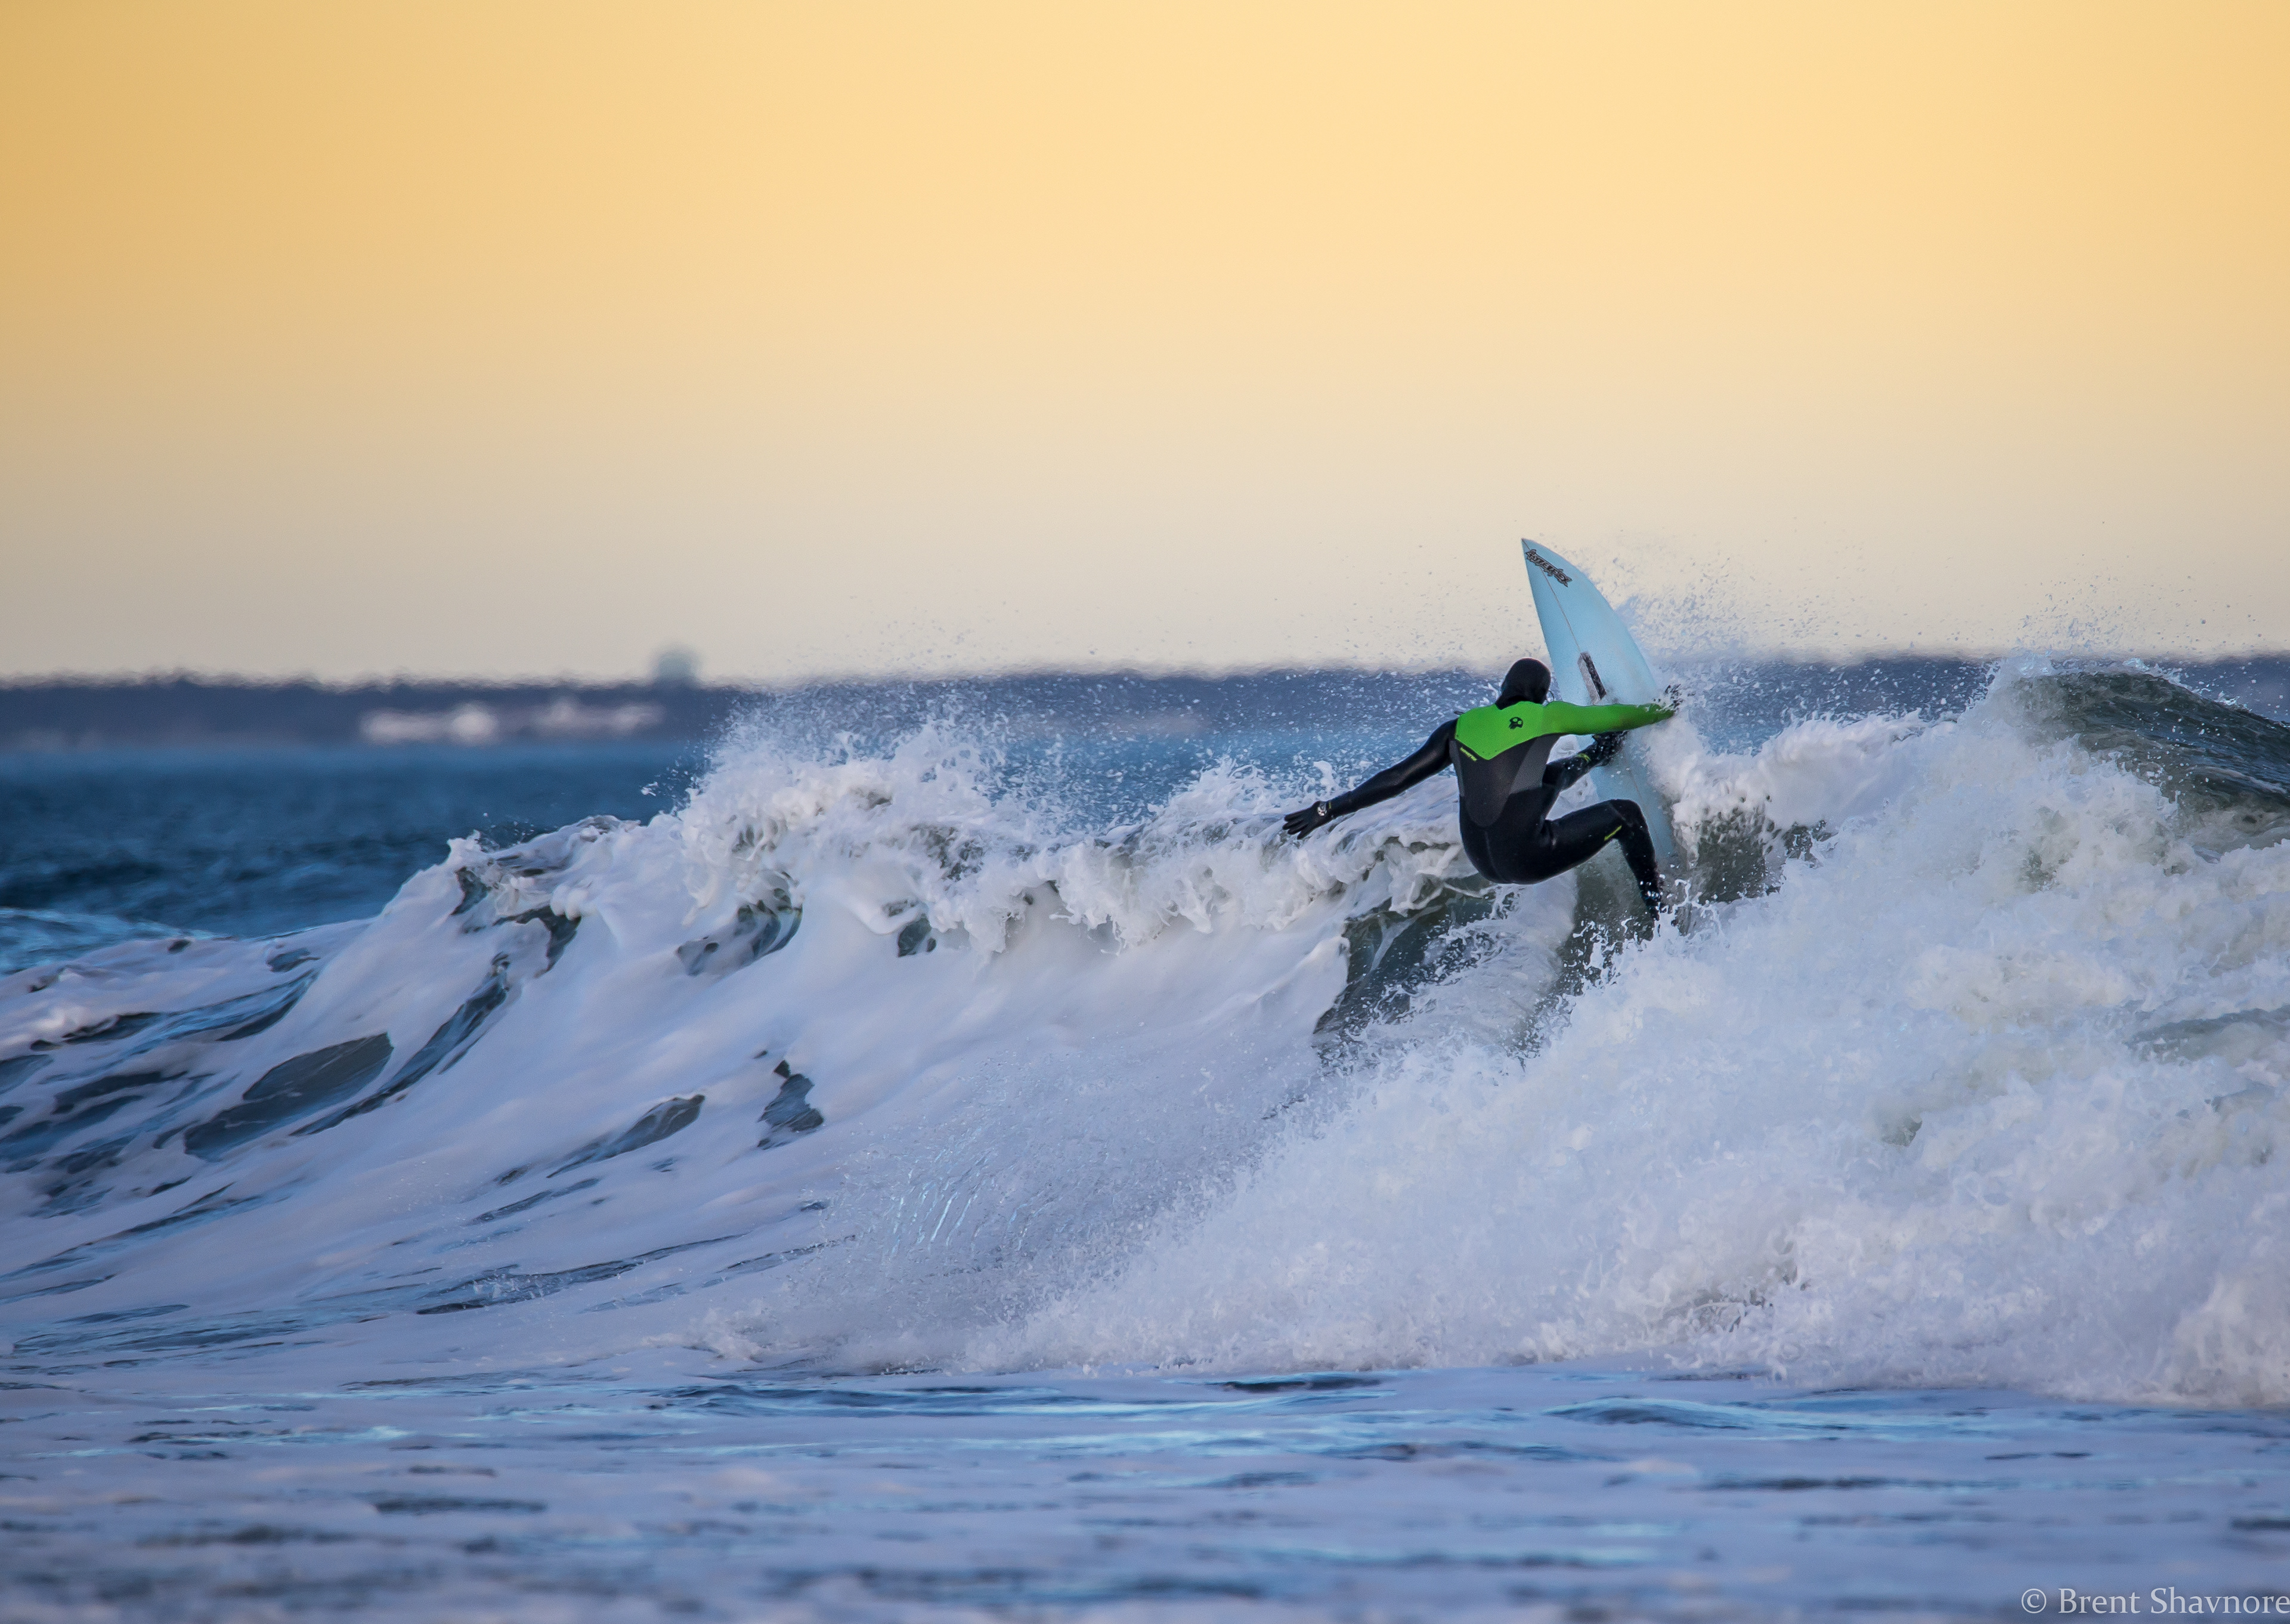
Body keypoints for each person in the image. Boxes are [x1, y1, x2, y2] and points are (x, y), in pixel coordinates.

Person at [1280, 658, 1675, 913]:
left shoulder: (1459, 726)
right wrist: (1664, 708)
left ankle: (1597, 755)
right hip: (1528, 855)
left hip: (1483, 860)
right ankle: (1660, 911)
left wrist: (1326, 809)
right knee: (1627, 814)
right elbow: (1619, 715)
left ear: (1504, 688)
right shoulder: (1547, 716)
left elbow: (1395, 779)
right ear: (1541, 695)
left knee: (1546, 775)